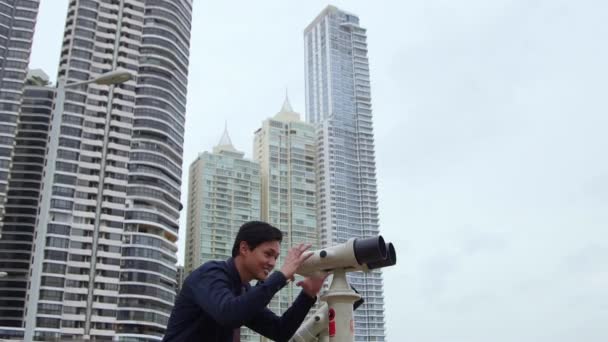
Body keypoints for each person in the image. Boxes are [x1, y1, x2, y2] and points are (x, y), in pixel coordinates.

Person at [163, 221, 325, 341]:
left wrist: (307, 294)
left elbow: (279, 331)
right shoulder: (209, 274)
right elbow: (229, 314)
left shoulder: (243, 290)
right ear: (244, 249)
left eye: (276, 258)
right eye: (268, 254)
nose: (273, 263)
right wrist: (281, 276)